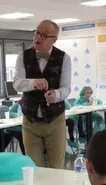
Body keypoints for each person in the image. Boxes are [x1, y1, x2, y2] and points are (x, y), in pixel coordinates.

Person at [13, 20, 71, 168]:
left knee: (57, 167)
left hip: (55, 120)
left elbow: (66, 88)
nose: (38, 37)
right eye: (37, 32)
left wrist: (56, 94)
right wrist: (33, 83)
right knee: (33, 168)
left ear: (54, 39)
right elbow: (17, 84)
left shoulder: (64, 58)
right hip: (30, 121)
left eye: (44, 35)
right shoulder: (23, 56)